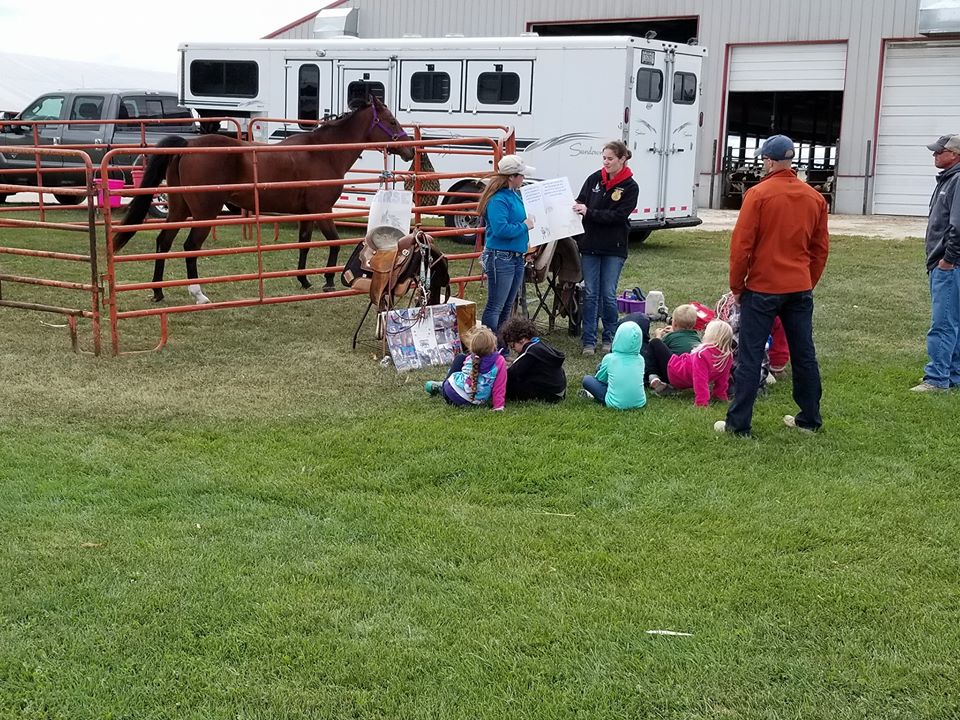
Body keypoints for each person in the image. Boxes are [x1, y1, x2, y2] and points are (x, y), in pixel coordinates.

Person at [715, 134, 830, 436]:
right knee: (804, 353)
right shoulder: (815, 198)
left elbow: (741, 247)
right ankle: (810, 418)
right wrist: (808, 280)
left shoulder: (758, 194)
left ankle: (738, 424)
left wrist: (737, 287)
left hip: (763, 287)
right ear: (791, 160)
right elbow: (820, 250)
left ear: (767, 160)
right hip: (798, 286)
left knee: (751, 355)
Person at [573, 140, 640, 356]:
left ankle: (609, 337)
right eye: (604, 158)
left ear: (622, 159)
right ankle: (589, 340)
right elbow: (580, 200)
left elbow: (619, 216)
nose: (606, 162)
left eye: (610, 159)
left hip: (614, 246)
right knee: (591, 293)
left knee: (608, 294)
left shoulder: (630, 186)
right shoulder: (594, 179)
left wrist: (589, 212)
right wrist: (574, 208)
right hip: (590, 244)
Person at [912, 133, 960, 392]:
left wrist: (948, 260)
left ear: (954, 154)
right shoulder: (949, 179)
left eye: (939, 151)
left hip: (949, 266)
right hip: (948, 264)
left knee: (943, 322)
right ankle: (952, 374)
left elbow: (958, 227)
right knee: (953, 320)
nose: (934, 155)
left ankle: (937, 378)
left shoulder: (956, 181)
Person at [477, 154, 536, 335]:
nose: (523, 178)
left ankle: (500, 342)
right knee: (496, 304)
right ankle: (489, 344)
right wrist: (524, 226)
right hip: (501, 256)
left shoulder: (512, 195)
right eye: (521, 175)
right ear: (512, 177)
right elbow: (501, 229)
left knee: (506, 304)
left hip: (515, 256)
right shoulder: (498, 200)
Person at [648, 319, 734, 407]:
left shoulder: (702, 355)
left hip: (674, 372)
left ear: (711, 336)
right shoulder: (727, 356)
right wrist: (720, 394)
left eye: (706, 332)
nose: (704, 333)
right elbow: (723, 378)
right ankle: (662, 383)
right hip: (685, 377)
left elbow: (700, 379)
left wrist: (701, 402)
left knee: (655, 342)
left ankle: (653, 376)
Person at [425, 325, 507, 410]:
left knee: (460, 358)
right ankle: (441, 386)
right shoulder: (500, 361)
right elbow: (499, 386)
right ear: (493, 344)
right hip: (474, 402)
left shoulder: (470, 358)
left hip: (450, 394)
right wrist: (498, 406)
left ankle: (441, 386)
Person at [579, 320, 647, 410]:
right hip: (640, 402)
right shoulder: (641, 360)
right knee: (601, 366)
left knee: (587, 379)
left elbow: (600, 379)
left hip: (615, 403)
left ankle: (596, 394)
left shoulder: (610, 358)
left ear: (618, 338)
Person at [499, 317, 567, 403]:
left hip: (549, 394)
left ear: (522, 339)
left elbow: (512, 373)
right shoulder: (538, 344)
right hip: (558, 391)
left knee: (507, 383)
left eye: (512, 346)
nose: (513, 349)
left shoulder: (529, 351)